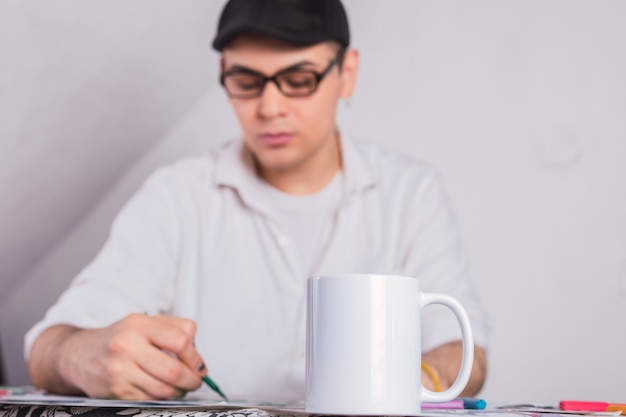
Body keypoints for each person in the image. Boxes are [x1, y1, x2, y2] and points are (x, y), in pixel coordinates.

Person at [25, 0, 489, 402]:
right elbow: (47, 346)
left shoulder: (410, 193)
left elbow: (465, 353)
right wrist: (82, 357)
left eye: (299, 79)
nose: (269, 107)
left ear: (347, 75)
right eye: (246, 80)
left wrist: (411, 383)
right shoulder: (176, 195)